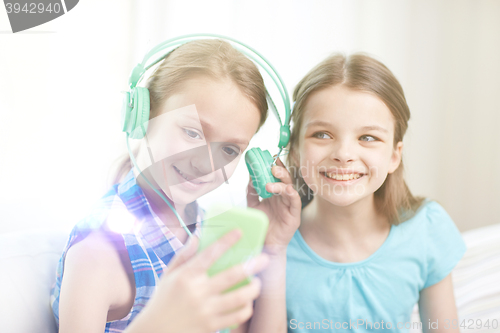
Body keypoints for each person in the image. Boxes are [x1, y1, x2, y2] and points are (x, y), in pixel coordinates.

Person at [50, 38, 301, 333]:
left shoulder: (210, 234)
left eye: (229, 150)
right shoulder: (98, 253)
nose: (205, 163)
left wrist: (274, 247)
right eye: (192, 132)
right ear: (142, 116)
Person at [279, 53, 467, 332]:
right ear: (294, 149)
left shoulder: (427, 229)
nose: (344, 154)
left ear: (394, 155)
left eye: (368, 138)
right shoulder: (272, 243)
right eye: (322, 134)